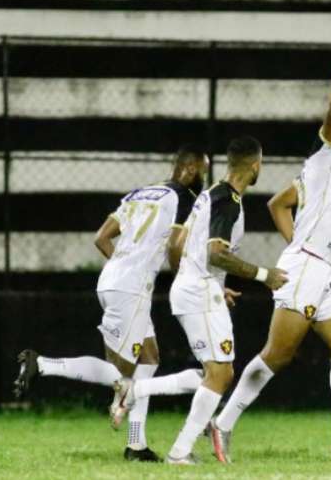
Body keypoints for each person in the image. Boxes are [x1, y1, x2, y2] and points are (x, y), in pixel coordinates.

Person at [209, 28, 331, 463]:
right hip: (308, 267)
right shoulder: (324, 158)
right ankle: (222, 422)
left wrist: (298, 243)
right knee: (278, 354)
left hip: (321, 269)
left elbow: (277, 204)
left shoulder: (328, 173)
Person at [12, 144, 211, 462]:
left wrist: (123, 267)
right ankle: (42, 364)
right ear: (189, 170)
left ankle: (137, 445)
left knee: (149, 360)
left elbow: (101, 238)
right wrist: (184, 280)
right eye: (203, 171)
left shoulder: (138, 194)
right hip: (130, 289)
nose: (204, 178)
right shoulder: (184, 198)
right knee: (122, 377)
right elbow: (176, 244)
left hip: (114, 280)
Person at [111, 136, 287, 465]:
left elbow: (178, 241)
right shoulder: (228, 201)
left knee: (214, 373)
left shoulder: (207, 195)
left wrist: (205, 281)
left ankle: (140, 398)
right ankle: (175, 445)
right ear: (256, 166)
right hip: (198, 290)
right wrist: (265, 275)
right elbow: (216, 253)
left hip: (194, 288)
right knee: (219, 374)